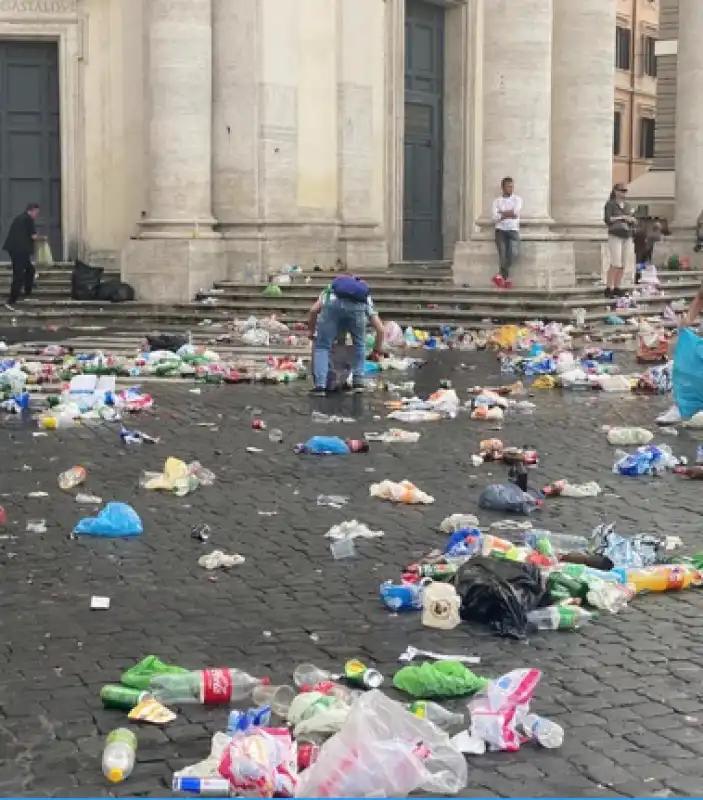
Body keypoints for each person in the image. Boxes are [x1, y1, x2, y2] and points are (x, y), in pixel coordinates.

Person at [308, 275, 385, 396]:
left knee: (322, 347)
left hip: (331, 308)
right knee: (359, 344)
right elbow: (380, 329)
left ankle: (320, 386)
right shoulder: (363, 295)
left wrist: (311, 331)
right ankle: (358, 382)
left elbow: (313, 310)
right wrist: (377, 348)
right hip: (357, 310)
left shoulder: (329, 290)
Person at [3, 202, 41, 311]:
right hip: (20, 251)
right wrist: (43, 239)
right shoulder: (28, 219)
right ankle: (12, 300)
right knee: (19, 274)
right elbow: (33, 236)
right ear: (32, 210)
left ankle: (26, 293)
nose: (36, 215)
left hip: (15, 249)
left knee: (30, 270)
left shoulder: (19, 218)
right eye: (36, 213)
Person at [603, 185, 636, 298]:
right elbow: (608, 219)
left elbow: (633, 218)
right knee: (615, 262)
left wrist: (631, 220)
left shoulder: (628, 205)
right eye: (622, 191)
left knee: (623, 263)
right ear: (616, 191)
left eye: (625, 191)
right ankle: (608, 287)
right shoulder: (610, 204)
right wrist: (621, 217)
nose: (624, 193)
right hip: (615, 234)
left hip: (627, 235)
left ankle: (617, 287)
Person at [491, 177, 522, 289]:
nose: (511, 189)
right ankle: (505, 279)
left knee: (514, 253)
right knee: (503, 255)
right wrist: (507, 214)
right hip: (500, 231)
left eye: (512, 186)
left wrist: (502, 214)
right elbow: (495, 217)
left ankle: (500, 276)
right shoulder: (497, 201)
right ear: (503, 187)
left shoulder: (517, 199)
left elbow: (516, 213)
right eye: (508, 186)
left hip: (513, 230)